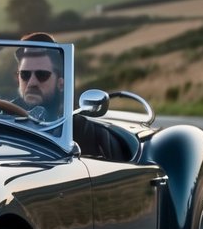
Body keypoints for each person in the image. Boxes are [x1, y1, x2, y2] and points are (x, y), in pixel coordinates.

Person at [16, 32, 125, 160]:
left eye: (42, 75)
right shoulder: (0, 116)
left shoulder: (78, 129)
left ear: (61, 83)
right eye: (25, 75)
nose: (32, 83)